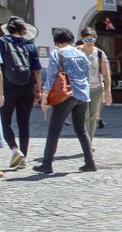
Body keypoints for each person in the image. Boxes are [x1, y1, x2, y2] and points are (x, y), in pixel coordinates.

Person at [33, 28, 96, 174]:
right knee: (81, 129)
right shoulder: (82, 54)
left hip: (65, 95)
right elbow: (88, 75)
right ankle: (90, 162)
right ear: (72, 40)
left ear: (57, 42)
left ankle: (47, 164)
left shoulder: (57, 53)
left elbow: (51, 76)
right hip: (82, 95)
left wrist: (45, 96)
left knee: (54, 130)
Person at [1, 16, 42, 169]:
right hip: (27, 88)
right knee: (24, 123)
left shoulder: (2, 42)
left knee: (5, 122)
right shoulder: (29, 45)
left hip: (7, 88)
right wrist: (38, 90)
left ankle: (15, 150)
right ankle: (23, 158)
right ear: (23, 30)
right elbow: (36, 71)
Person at [77, 28, 112, 142]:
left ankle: (89, 142)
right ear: (82, 39)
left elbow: (106, 74)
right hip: (81, 89)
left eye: (92, 39)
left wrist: (108, 92)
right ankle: (85, 142)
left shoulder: (100, 53)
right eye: (86, 39)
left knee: (93, 118)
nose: (89, 41)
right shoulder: (76, 52)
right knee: (85, 116)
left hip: (97, 89)